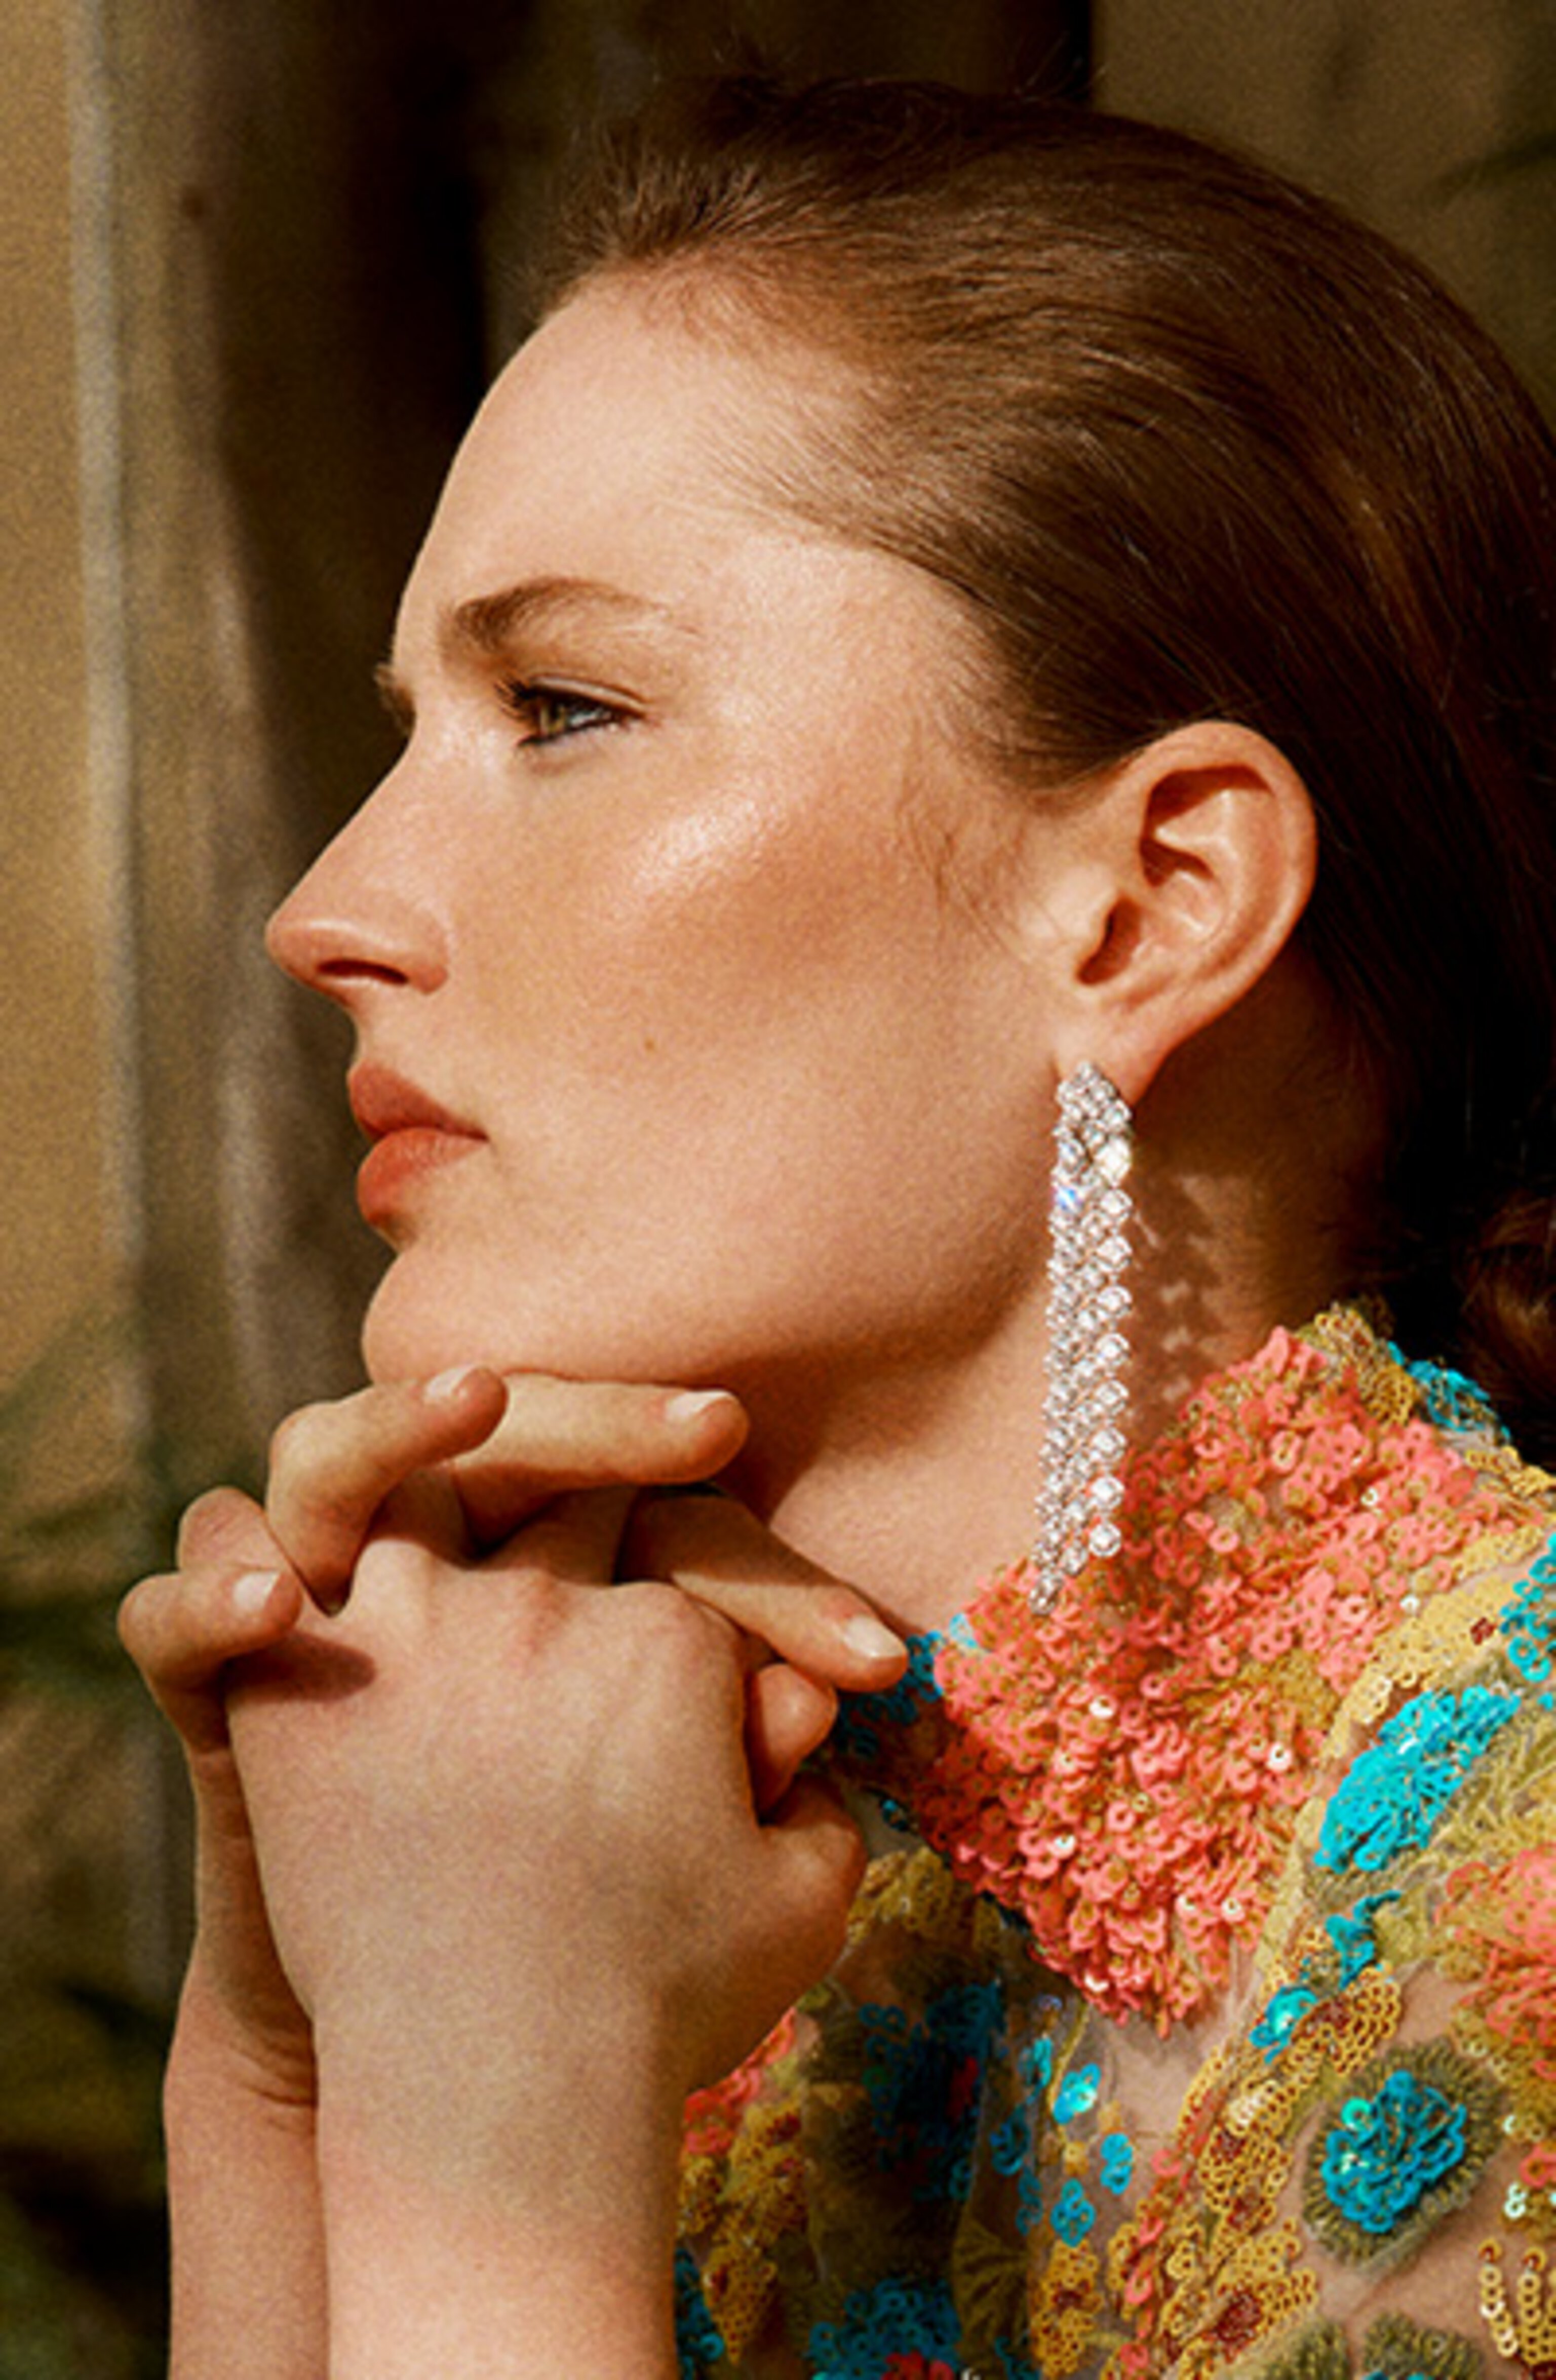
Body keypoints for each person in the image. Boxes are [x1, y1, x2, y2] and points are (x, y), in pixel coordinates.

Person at [118, 76, 1556, 2380]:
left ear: (1149, 904)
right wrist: (284, 2053)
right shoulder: (662, 1903)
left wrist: (490, 2146)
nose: (329, 909)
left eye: (562, 706)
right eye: (413, 729)